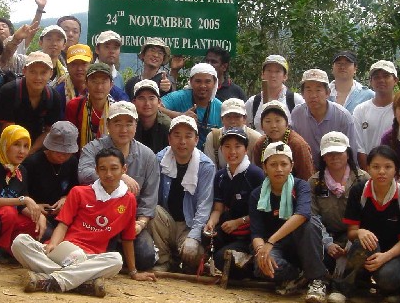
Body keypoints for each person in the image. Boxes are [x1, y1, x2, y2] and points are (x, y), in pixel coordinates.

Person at [13, 146, 157, 297]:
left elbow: (128, 238)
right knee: (20, 242)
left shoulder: (129, 200)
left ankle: (53, 279)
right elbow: (63, 224)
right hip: (65, 250)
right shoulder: (79, 192)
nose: (108, 174)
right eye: (103, 169)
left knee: (116, 260)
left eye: (114, 168)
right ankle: (80, 282)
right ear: (96, 170)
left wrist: (133, 272)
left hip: (91, 258)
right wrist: (53, 245)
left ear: (124, 169)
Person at [78, 101, 159, 271]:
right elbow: (84, 174)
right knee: (92, 253)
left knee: (145, 258)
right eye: (117, 123)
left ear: (136, 125)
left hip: (130, 220)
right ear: (108, 125)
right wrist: (120, 176)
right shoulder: (93, 148)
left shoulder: (147, 156)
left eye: (129, 124)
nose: (123, 130)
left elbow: (149, 197)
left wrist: (140, 224)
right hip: (97, 217)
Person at [249, 141, 330, 303]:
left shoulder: (301, 186)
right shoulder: (257, 194)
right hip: (276, 247)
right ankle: (298, 276)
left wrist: (271, 241)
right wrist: (261, 252)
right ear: (264, 167)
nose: (279, 169)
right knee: (263, 266)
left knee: (310, 223)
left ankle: (317, 280)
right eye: (273, 164)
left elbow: (302, 215)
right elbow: (256, 232)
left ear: (291, 166)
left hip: (299, 242)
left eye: (284, 164)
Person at [341, 145, 400, 302]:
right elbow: (351, 233)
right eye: (376, 167)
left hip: (396, 252)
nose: (382, 172)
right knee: (365, 243)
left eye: (388, 167)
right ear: (368, 168)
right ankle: (349, 288)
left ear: (396, 170)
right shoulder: (358, 191)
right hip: (368, 248)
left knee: (388, 277)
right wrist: (360, 232)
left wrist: (385, 257)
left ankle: (391, 289)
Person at [308, 132, 369, 303]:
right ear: (323, 157)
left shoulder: (363, 180)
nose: (334, 157)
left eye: (339, 152)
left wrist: (350, 242)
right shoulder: (313, 182)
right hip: (326, 237)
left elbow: (369, 216)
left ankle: (347, 286)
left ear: (348, 154)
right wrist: (328, 244)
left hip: (354, 235)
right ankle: (320, 280)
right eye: (329, 153)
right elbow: (313, 216)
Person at [149, 115, 215, 272]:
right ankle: (164, 259)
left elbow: (204, 205)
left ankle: (180, 257)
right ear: (169, 139)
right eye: (177, 135)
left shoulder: (206, 166)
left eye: (188, 136)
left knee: (195, 256)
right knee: (153, 210)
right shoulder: (159, 159)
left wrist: (194, 236)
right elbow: (151, 195)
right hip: (166, 221)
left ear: (196, 139)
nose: (182, 141)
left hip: (189, 224)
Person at [204, 127, 265, 273]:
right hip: (228, 227)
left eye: (237, 147)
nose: (232, 152)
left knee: (221, 258)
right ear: (221, 149)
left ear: (246, 150)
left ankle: (249, 263)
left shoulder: (256, 175)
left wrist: (238, 222)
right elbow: (218, 208)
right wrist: (211, 222)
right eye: (227, 146)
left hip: (250, 232)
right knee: (206, 238)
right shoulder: (220, 176)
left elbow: (263, 211)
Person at [0, 125, 46, 259]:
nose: (22, 151)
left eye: (26, 146)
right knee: (9, 212)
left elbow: (21, 207)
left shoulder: (21, 170)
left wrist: (39, 215)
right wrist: (23, 200)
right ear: (6, 144)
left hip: (6, 220)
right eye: (16, 144)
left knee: (35, 223)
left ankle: (10, 249)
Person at [291, 69, 358, 170]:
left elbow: (351, 153)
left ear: (327, 93)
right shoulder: (297, 114)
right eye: (308, 90)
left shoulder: (343, 117)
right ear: (302, 94)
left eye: (318, 90)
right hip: (307, 171)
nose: (313, 95)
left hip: (336, 171)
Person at [0, 52, 62, 153]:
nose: (38, 77)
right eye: (33, 72)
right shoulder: (9, 91)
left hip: (36, 146)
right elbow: (7, 128)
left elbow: (49, 131)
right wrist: (21, 152)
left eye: (43, 73)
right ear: (24, 71)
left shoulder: (54, 97)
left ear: (50, 73)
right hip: (9, 144)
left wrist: (30, 152)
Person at [24, 122, 80, 239]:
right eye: (58, 151)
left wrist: (65, 198)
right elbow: (22, 193)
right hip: (35, 212)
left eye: (67, 153)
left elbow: (74, 187)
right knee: (46, 235)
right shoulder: (32, 163)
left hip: (62, 212)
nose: (62, 156)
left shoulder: (72, 162)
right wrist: (35, 206)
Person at [160, 63, 222, 149]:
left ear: (214, 83)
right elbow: (155, 107)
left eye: (207, 81)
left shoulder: (220, 108)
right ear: (191, 81)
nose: (202, 86)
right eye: (198, 81)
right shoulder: (180, 97)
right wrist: (180, 116)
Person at [250, 100, 314, 181]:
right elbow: (259, 174)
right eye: (268, 121)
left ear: (286, 124)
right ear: (262, 126)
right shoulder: (260, 144)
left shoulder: (297, 145)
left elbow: (306, 177)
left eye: (278, 120)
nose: (273, 126)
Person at [352, 60, 398, 170]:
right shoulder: (360, 110)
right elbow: (359, 147)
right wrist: (369, 173)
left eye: (386, 76)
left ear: (395, 80)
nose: (381, 80)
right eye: (376, 77)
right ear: (371, 82)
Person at [245, 54, 304, 130]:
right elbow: (245, 128)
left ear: (285, 76)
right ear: (262, 75)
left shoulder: (295, 101)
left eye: (277, 71)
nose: (273, 75)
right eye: (269, 71)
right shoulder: (253, 102)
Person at [66, 62, 115, 151]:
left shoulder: (116, 110)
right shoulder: (75, 106)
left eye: (103, 82)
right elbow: (69, 140)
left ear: (111, 85)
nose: (99, 87)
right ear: (86, 83)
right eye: (94, 81)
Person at [203, 98, 262, 169]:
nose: (232, 121)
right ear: (222, 119)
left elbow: (258, 168)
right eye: (228, 117)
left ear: (244, 118)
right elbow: (210, 168)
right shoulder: (213, 137)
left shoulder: (255, 138)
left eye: (237, 117)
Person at [132, 79, 171, 154]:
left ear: (159, 102)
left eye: (151, 98)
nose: (147, 103)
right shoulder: (129, 124)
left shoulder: (167, 127)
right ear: (134, 102)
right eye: (141, 98)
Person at [56, 43, 92, 109]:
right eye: (74, 64)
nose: (79, 69)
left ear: (90, 65)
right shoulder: (59, 93)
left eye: (84, 64)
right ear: (67, 66)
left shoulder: (99, 89)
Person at [93, 30, 129, 94]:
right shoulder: (88, 74)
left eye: (115, 48)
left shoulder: (119, 78)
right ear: (97, 49)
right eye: (107, 47)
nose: (112, 51)